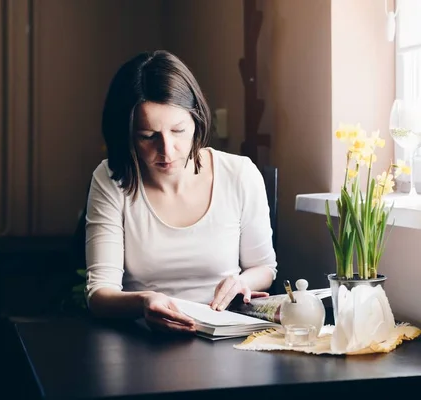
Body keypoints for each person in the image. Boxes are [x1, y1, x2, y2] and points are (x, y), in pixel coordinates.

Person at [85, 50, 277, 333]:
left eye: (178, 130)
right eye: (148, 137)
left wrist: (242, 283)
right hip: (143, 337)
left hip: (226, 333)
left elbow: (264, 268)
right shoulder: (111, 178)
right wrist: (144, 302)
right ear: (127, 136)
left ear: (196, 120)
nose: (167, 150)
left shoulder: (239, 174)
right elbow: (99, 293)